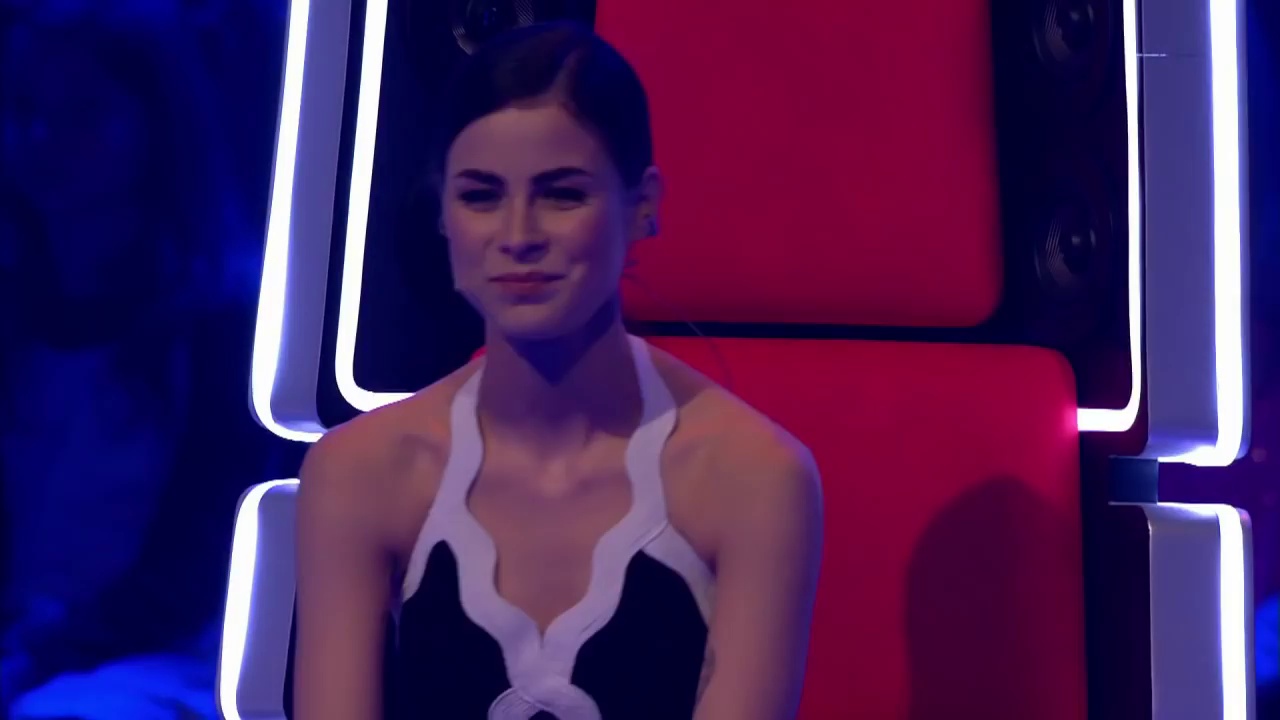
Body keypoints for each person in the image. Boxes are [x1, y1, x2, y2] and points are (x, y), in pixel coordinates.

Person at [294, 21, 823, 720]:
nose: (518, 236)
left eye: (562, 195)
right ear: (443, 214)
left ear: (643, 206)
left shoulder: (751, 475)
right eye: (481, 196)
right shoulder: (361, 470)